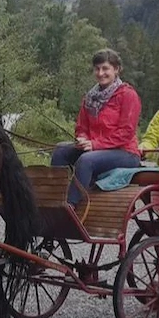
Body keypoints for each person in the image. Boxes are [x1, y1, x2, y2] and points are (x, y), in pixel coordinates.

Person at [51, 48, 142, 207]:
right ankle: (55, 198)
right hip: (95, 149)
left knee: (86, 160)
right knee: (60, 150)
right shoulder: (90, 97)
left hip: (125, 152)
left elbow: (126, 133)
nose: (101, 73)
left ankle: (71, 206)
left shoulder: (128, 95)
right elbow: (81, 126)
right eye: (97, 68)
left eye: (105, 68)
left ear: (116, 69)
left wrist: (95, 144)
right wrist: (82, 138)